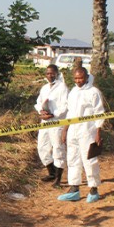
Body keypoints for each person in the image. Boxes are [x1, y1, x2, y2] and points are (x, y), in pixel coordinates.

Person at [58, 66, 104, 204]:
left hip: (87, 131)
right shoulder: (72, 92)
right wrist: (65, 130)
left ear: (86, 77)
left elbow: (99, 113)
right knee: (72, 159)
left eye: (81, 78)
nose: (78, 81)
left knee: (89, 160)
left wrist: (98, 133)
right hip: (73, 130)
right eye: (76, 78)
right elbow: (70, 112)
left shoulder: (93, 92)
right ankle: (74, 189)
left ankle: (94, 189)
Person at [34, 64, 69, 186]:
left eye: (52, 73)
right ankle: (51, 173)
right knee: (42, 147)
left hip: (57, 122)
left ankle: (58, 179)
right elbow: (38, 102)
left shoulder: (62, 87)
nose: (50, 75)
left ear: (57, 73)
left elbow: (65, 106)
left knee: (58, 148)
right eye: (48, 73)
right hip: (45, 121)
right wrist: (41, 111)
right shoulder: (44, 88)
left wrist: (53, 114)